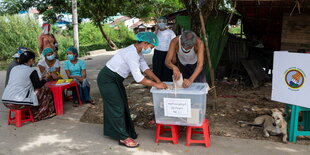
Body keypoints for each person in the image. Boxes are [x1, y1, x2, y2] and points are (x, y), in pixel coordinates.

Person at [97, 32, 167, 148]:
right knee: (117, 106)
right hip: (107, 79)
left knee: (122, 104)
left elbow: (145, 68)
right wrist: (156, 85)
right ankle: (123, 137)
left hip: (116, 80)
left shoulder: (138, 52)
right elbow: (139, 78)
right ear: (145, 43)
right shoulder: (131, 54)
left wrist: (157, 80)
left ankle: (125, 132)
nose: (151, 49)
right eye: (151, 47)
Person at [2, 50, 55, 121]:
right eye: (33, 60)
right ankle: (42, 113)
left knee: (32, 91)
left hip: (6, 101)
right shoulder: (31, 70)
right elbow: (38, 85)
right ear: (30, 60)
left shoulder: (14, 69)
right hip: (19, 103)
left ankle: (30, 112)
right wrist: (45, 78)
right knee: (45, 89)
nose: (34, 61)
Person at [153, 17, 176, 82]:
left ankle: (167, 84)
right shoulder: (156, 32)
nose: (161, 23)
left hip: (167, 53)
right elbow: (152, 41)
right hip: (157, 53)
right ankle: (158, 83)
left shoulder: (170, 32)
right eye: (159, 22)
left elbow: (174, 44)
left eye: (162, 22)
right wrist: (156, 30)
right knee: (158, 70)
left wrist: (174, 56)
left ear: (165, 23)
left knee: (167, 70)